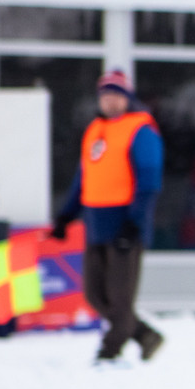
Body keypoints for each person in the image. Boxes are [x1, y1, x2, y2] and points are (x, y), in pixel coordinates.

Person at [50, 70, 165, 364]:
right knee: (94, 295)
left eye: (116, 95)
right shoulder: (95, 130)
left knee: (119, 298)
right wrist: (66, 216)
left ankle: (108, 353)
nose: (110, 101)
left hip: (124, 224)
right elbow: (84, 178)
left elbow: (149, 180)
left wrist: (134, 222)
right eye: (106, 95)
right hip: (96, 224)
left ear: (127, 98)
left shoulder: (140, 130)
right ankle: (145, 335)